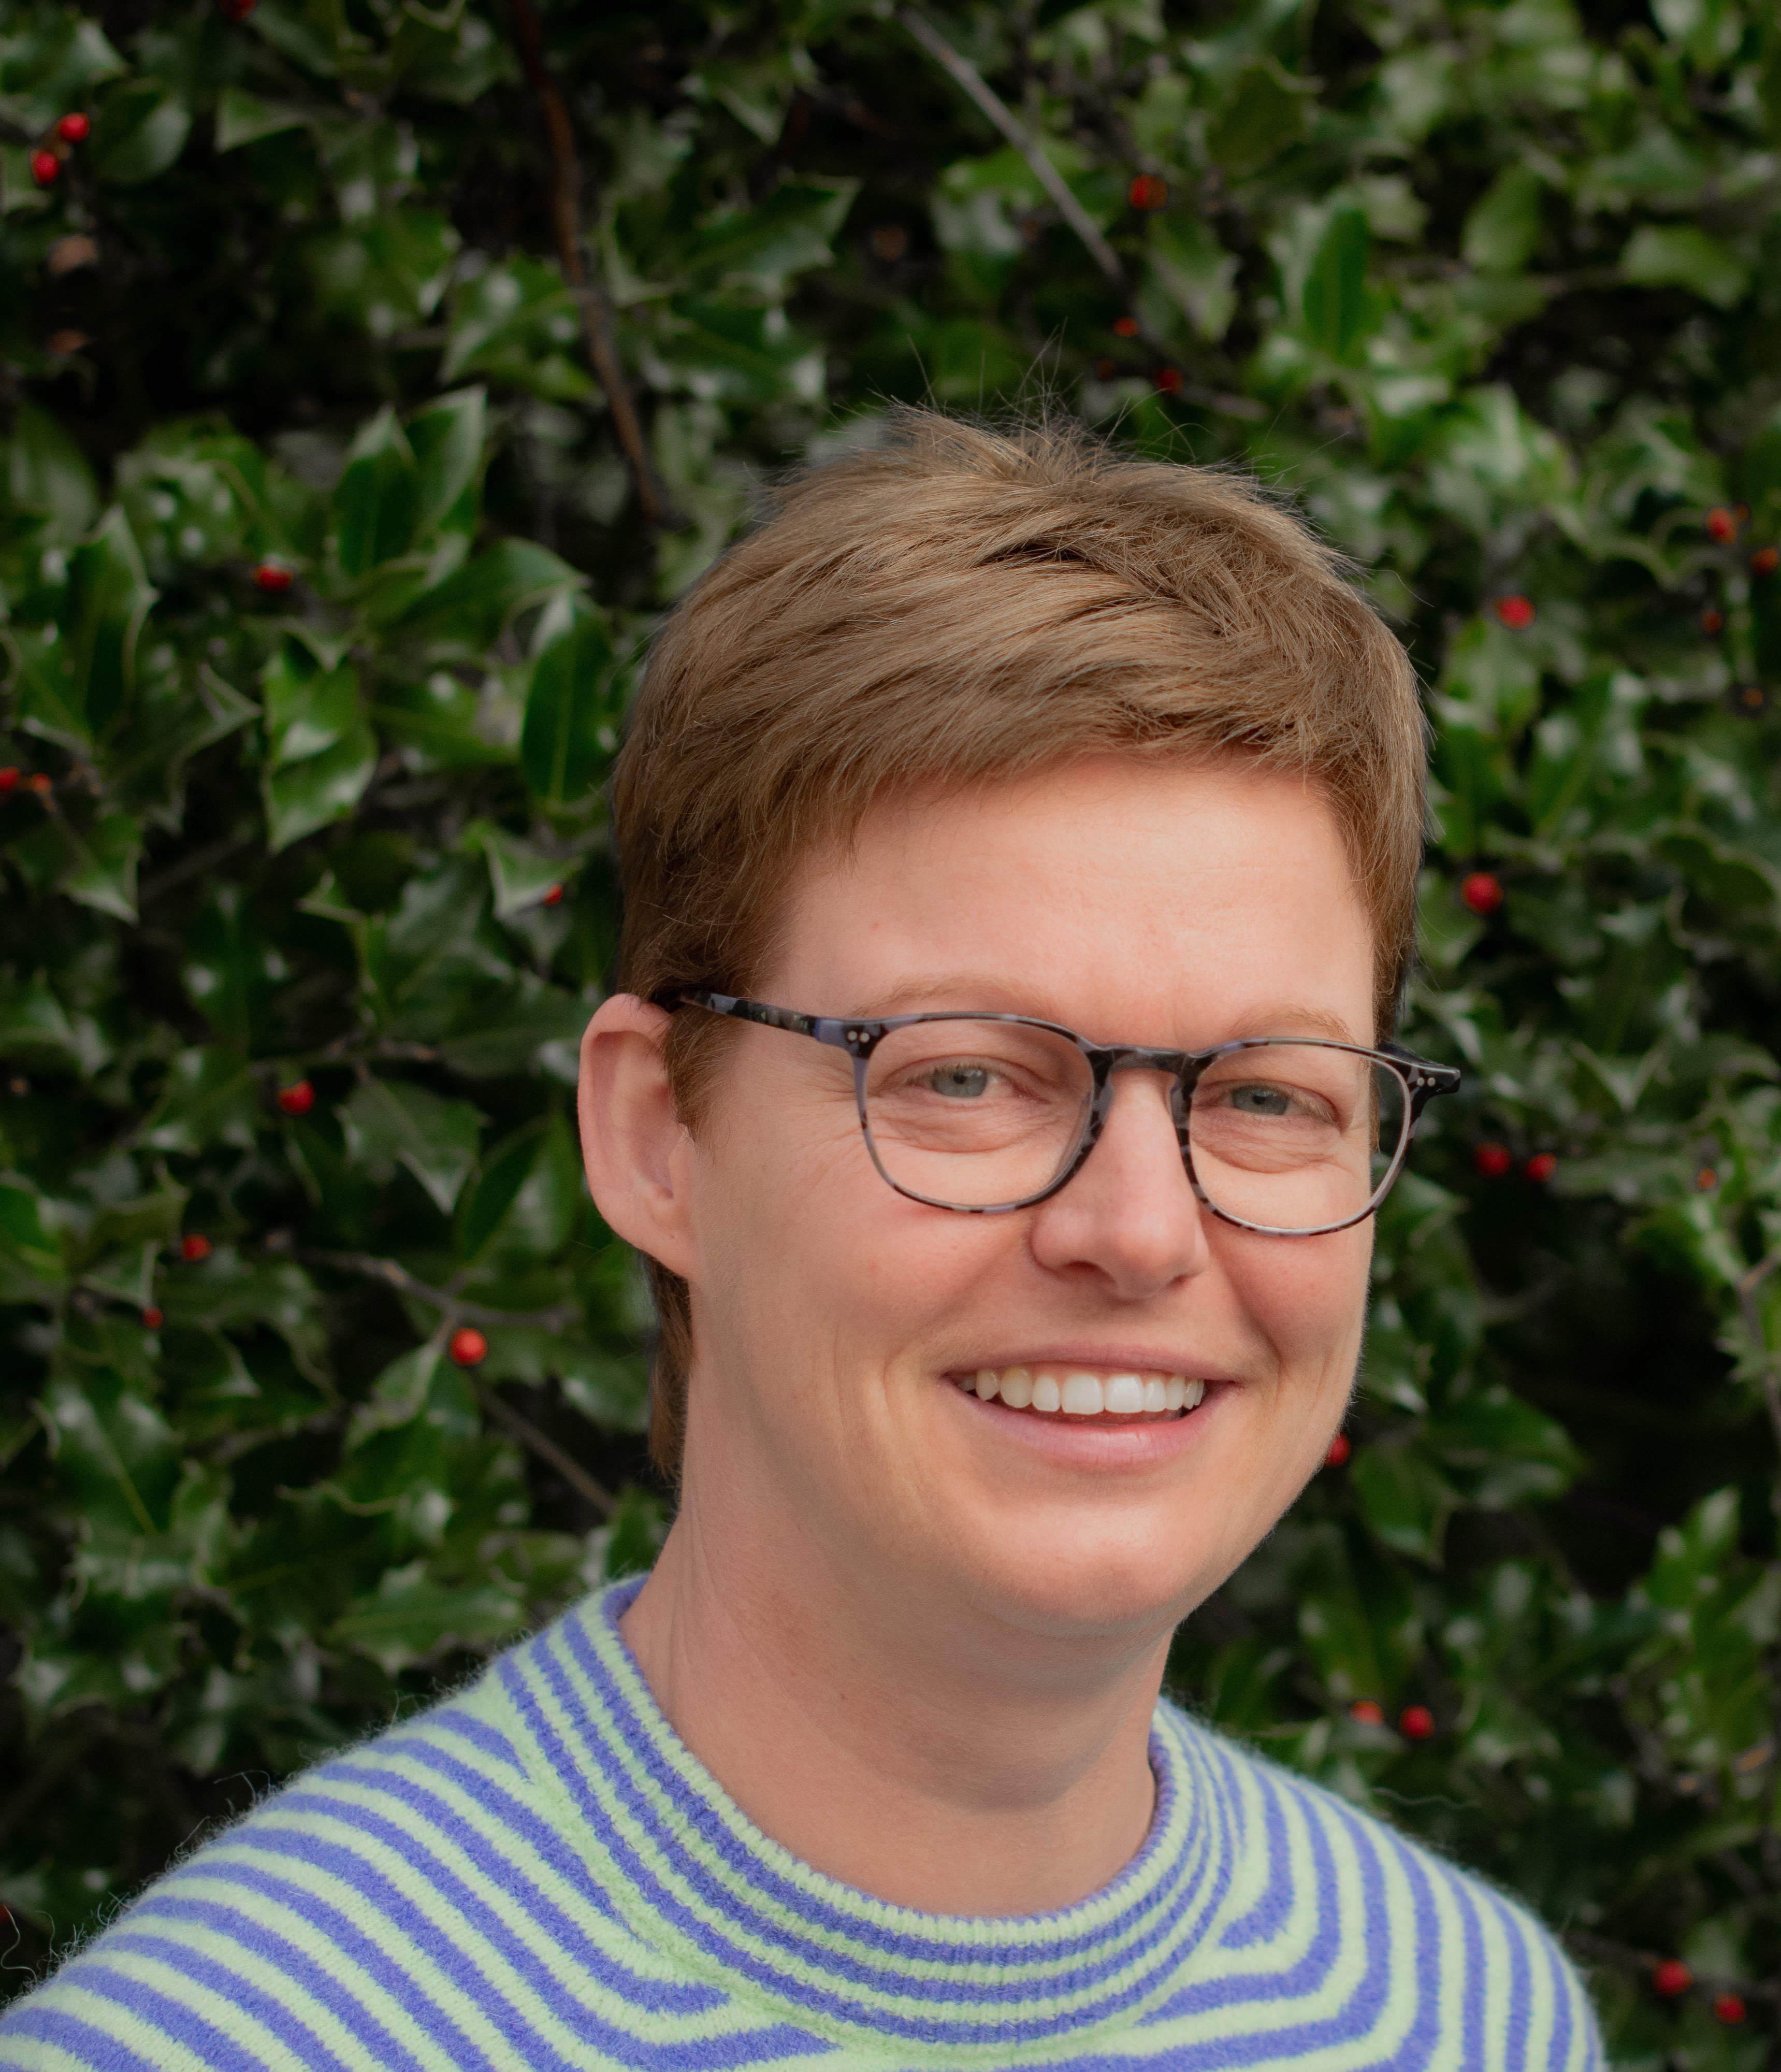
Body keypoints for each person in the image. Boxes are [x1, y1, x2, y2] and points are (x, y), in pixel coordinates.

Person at [0, 411, 1601, 2069]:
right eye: (966, 1075)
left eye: (1267, 1095)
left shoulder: (1460, 2012)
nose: (1140, 1231)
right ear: (655, 1136)